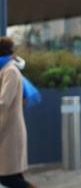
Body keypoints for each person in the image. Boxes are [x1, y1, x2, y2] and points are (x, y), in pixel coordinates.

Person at [0, 37, 36, 188]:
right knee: (12, 176)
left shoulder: (10, 71)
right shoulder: (6, 69)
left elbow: (4, 102)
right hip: (6, 130)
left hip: (10, 132)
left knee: (9, 178)